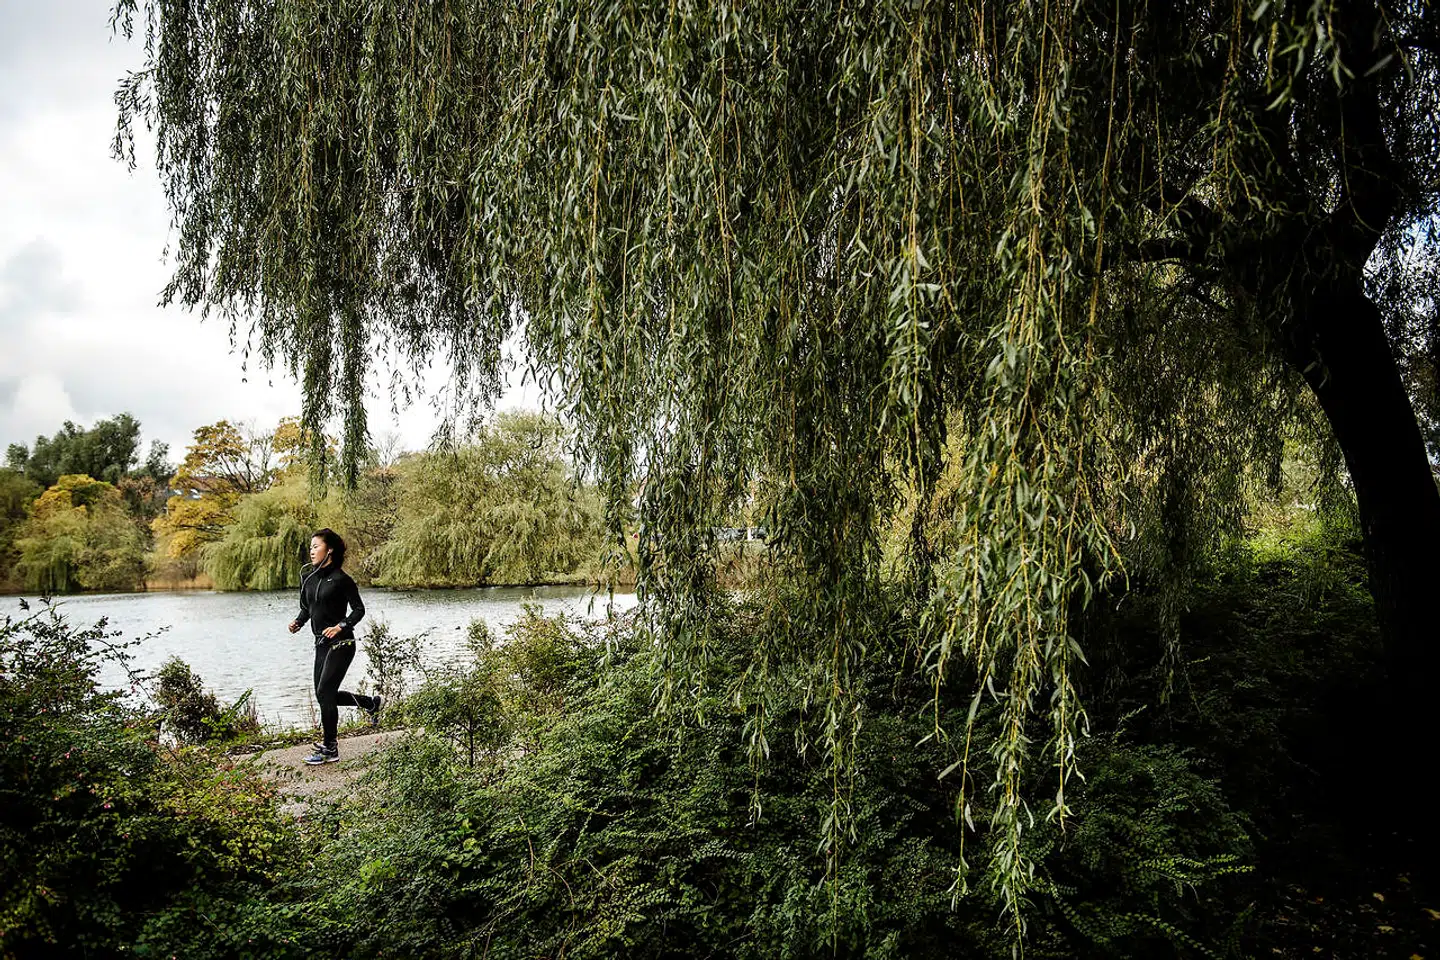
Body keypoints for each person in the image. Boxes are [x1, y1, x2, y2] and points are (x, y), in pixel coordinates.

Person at [288, 528, 380, 764]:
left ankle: (330, 748)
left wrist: (341, 625)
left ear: (329, 550)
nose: (311, 551)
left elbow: (359, 609)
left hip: (342, 642)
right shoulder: (309, 578)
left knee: (324, 693)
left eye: (316, 546)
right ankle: (370, 703)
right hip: (321, 644)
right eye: (310, 547)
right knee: (324, 695)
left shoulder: (342, 579)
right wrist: (299, 622)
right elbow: (308, 608)